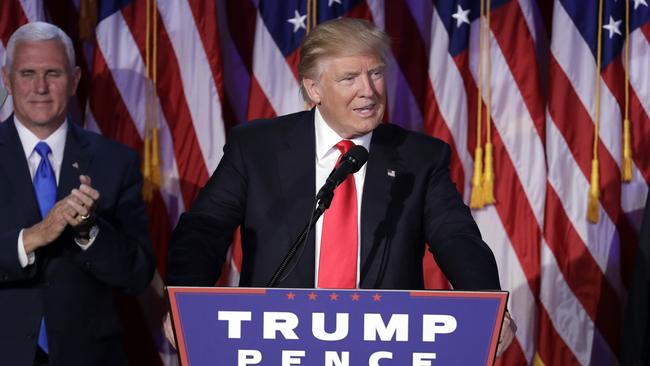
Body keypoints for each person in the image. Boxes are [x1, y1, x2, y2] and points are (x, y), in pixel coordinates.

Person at [166, 18, 515, 355]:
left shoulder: (420, 158)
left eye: (376, 73)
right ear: (314, 88)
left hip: (383, 344)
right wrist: (183, 301)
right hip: (277, 341)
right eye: (350, 77)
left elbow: (457, 239)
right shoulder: (257, 148)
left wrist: (487, 305)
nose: (369, 90)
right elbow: (205, 229)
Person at [0, 22, 155, 365]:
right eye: (27, 73)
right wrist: (33, 237)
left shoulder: (116, 162)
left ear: (74, 79)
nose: (40, 87)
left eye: (53, 73)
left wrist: (89, 231)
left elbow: (137, 274)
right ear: (6, 79)